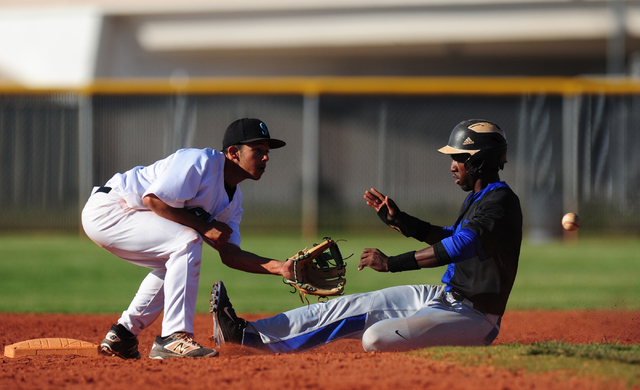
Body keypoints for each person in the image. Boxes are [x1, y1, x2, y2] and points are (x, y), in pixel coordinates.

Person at [211, 119, 522, 353]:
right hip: (443, 296)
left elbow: (460, 245)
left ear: (479, 161)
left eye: (460, 158)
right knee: (349, 307)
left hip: (474, 317)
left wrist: (391, 264)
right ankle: (246, 335)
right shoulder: (483, 199)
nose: (453, 166)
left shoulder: (501, 202)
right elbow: (451, 235)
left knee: (376, 338)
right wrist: (402, 222)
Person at [82, 118, 296, 359]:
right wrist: (205, 227)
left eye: (267, 151)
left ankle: (123, 335)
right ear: (234, 152)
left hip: (129, 213)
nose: (266, 157)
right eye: (258, 150)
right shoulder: (200, 162)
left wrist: (281, 268)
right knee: (187, 240)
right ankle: (173, 337)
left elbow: (230, 254)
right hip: (111, 208)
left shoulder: (233, 203)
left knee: (176, 262)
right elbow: (153, 200)